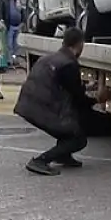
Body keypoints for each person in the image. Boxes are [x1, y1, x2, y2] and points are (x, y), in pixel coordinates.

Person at [13, 27, 98, 175]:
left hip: (28, 105)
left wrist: (87, 87)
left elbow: (64, 85)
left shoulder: (49, 58)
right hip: (42, 109)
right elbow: (78, 98)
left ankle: (64, 155)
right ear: (79, 44)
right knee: (78, 138)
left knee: (69, 127)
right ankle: (40, 160)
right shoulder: (69, 64)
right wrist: (97, 99)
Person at [1, 0, 24, 68]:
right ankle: (9, 61)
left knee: (17, 45)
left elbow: (22, 10)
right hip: (9, 25)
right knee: (9, 45)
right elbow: (1, 11)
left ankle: (15, 60)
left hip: (18, 25)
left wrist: (23, 21)